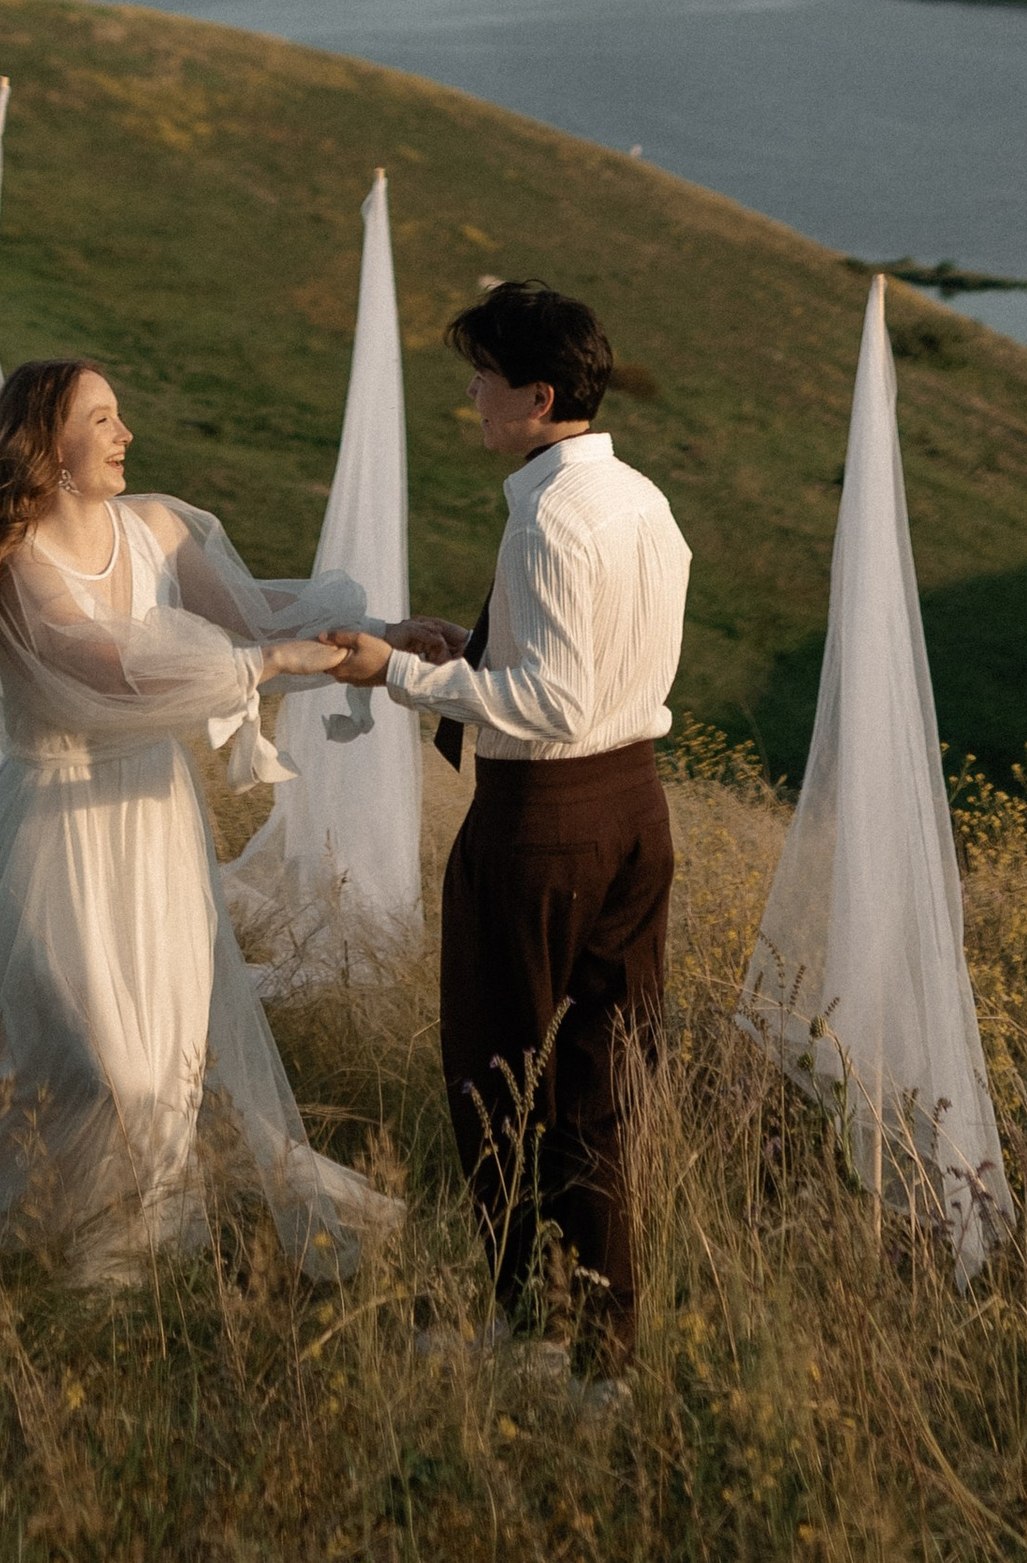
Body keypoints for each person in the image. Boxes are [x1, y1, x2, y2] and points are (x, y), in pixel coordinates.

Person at [0, 357, 402, 1276]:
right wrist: (268, 666)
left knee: (161, 1053)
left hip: (153, 819)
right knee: (85, 1060)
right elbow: (99, 659)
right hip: (54, 823)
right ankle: (9, 1227)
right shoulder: (15, 558)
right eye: (103, 420)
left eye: (120, 417)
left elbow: (250, 620)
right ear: (49, 448)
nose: (125, 434)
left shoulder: (160, 528)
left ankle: (120, 1249)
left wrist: (382, 643)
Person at [327, 280, 690, 1380]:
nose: (471, 397)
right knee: (597, 1090)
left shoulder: (545, 517)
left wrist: (399, 670)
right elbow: (593, 673)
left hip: (543, 823)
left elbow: (552, 706)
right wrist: (468, 655)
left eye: (482, 378)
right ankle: (600, 1353)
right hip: (636, 809)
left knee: (497, 1076)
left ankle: (524, 1326)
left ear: (536, 396)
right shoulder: (643, 501)